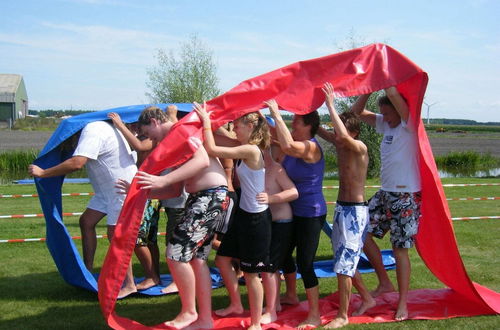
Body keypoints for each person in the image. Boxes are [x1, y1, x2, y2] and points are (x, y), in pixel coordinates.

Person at [135, 105, 229, 330]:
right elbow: (175, 190)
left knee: (176, 254)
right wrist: (140, 191)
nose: (151, 141)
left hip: (210, 197)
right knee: (196, 260)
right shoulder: (172, 141)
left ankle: (189, 312)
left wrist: (162, 180)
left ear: (154, 122)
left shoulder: (180, 131)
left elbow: (202, 160)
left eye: (148, 134)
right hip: (203, 197)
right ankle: (205, 320)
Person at [28, 120, 138, 297]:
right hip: (106, 191)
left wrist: (43, 172)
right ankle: (87, 271)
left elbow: (77, 163)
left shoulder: (92, 130)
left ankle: (130, 284)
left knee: (115, 236)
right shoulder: (98, 128)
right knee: (86, 222)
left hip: (120, 189)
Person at [194, 102, 275, 330]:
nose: (234, 129)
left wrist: (207, 122)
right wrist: (212, 119)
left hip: (256, 221)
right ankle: (237, 305)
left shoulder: (250, 149)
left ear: (250, 126)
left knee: (251, 274)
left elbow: (213, 149)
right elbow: (223, 137)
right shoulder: (244, 144)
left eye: (237, 126)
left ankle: (256, 323)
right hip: (243, 216)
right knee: (221, 259)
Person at [351, 86, 421, 321]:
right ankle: (384, 282)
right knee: (360, 231)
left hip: (405, 196)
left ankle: (403, 303)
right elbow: (354, 113)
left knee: (400, 250)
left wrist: (384, 76)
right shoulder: (386, 124)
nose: (385, 118)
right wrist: (367, 89)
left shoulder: (408, 125)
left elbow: (393, 95)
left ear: (400, 112)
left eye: (389, 113)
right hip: (385, 193)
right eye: (383, 114)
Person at [318, 83, 376, 328]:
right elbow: (321, 131)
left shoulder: (358, 147)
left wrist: (330, 104)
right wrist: (307, 109)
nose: (336, 134)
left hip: (355, 212)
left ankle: (343, 316)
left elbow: (339, 135)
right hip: (342, 209)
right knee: (343, 260)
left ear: (352, 132)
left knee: (344, 265)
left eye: (340, 129)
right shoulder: (342, 142)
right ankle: (368, 298)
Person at [265, 100, 327, 329]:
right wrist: (258, 114)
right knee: (282, 254)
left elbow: (289, 146)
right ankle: (291, 295)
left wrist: (276, 114)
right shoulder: (291, 143)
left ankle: (314, 314)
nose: (292, 124)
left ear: (308, 125)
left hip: (311, 212)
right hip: (293, 211)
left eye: (296, 121)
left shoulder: (310, 147)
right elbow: (275, 134)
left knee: (305, 262)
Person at [109, 111, 161, 291]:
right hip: (147, 189)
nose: (135, 129)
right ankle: (155, 274)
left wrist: (120, 125)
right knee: (150, 238)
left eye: (137, 126)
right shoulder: (150, 137)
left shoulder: (152, 139)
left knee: (139, 237)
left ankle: (152, 276)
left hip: (148, 192)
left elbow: (139, 146)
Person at [257, 147, 298, 313]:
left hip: (283, 221)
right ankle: (290, 296)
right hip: (269, 222)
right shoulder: (256, 169)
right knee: (283, 259)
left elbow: (294, 192)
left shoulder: (275, 169)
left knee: (270, 265)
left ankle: (273, 307)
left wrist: (271, 198)